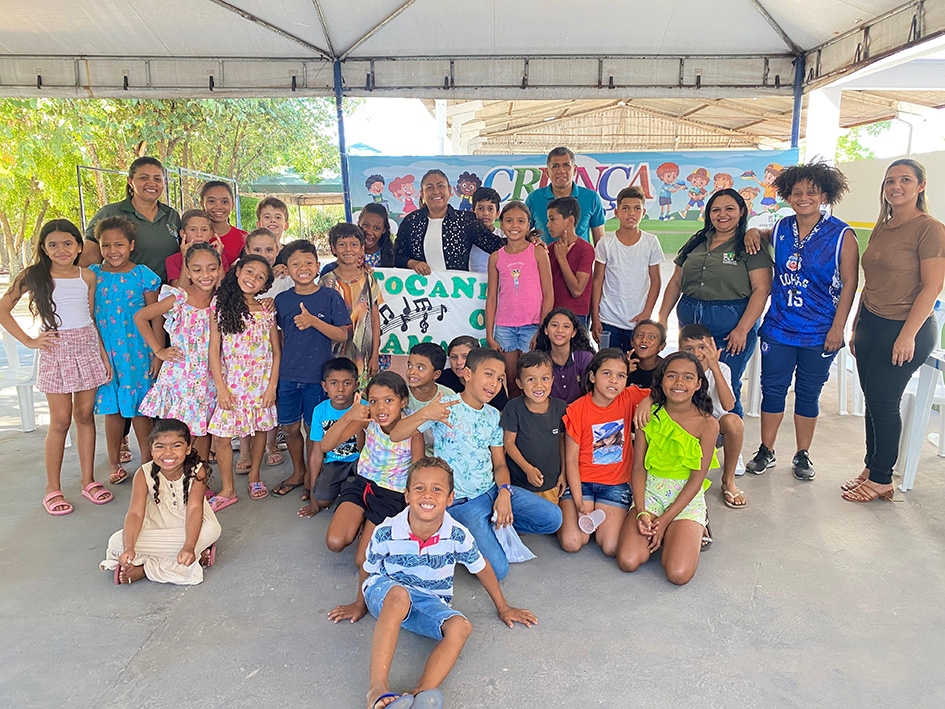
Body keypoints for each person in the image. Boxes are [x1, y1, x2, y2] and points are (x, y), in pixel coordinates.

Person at [343, 457, 536, 709]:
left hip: (428, 600)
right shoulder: (386, 531)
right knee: (399, 595)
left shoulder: (457, 534)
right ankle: (376, 691)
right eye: (419, 488)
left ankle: (422, 694)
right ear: (407, 495)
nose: (428, 495)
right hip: (386, 591)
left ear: (450, 498)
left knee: (461, 626)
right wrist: (360, 603)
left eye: (437, 489)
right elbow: (367, 569)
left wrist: (504, 607)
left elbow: (482, 567)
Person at [390, 348, 563, 581]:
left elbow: (500, 464)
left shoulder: (493, 415)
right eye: (488, 374)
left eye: (500, 378)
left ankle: (487, 526)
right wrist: (425, 414)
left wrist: (504, 493)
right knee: (499, 570)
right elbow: (396, 434)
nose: (494, 384)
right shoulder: (445, 407)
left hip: (491, 491)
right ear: (468, 374)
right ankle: (461, 533)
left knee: (553, 518)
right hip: (462, 503)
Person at [742, 161, 859, 481]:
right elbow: (764, 233)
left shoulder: (842, 235)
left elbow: (850, 282)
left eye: (811, 191)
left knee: (809, 393)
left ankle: (802, 453)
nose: (803, 197)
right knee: (772, 389)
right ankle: (766, 449)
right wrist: (753, 230)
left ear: (824, 194)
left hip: (820, 331)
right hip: (779, 327)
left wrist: (839, 327)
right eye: (796, 192)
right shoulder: (781, 227)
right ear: (787, 196)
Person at [843, 159, 945, 502]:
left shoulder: (930, 229)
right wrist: (857, 323)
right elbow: (870, 283)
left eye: (904, 180)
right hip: (872, 322)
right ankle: (873, 467)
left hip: (906, 327)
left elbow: (931, 288)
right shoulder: (882, 227)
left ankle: (883, 478)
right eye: (889, 181)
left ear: (920, 186)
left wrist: (907, 335)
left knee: (885, 402)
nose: (895, 186)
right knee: (873, 399)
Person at [0, 219, 112, 516]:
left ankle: (88, 480)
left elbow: (90, 317)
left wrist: (101, 353)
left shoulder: (87, 276)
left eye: (67, 244)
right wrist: (29, 341)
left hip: (86, 346)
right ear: (44, 249)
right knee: (61, 420)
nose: (61, 250)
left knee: (85, 415)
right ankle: (53, 487)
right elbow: (3, 308)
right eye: (53, 244)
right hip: (56, 349)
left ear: (79, 247)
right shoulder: (34, 276)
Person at [658, 188, 773, 414]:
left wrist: (742, 329)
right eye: (716, 210)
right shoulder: (697, 241)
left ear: (741, 212)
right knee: (691, 381)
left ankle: (730, 440)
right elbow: (675, 282)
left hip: (732, 327)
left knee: (726, 385)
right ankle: (698, 439)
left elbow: (762, 289)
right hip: (690, 327)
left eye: (729, 209)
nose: (722, 214)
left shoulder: (750, 244)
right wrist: (661, 318)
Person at [616, 352, 719, 585]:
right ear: (661, 381)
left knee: (678, 574)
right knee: (628, 561)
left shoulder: (708, 424)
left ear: (698, 384)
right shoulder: (648, 415)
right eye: (671, 376)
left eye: (688, 377)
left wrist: (664, 521)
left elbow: (697, 479)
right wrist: (641, 509)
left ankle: (689, 525)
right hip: (652, 491)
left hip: (686, 496)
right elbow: (639, 467)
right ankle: (673, 534)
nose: (679, 383)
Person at [321, 372, 424, 597]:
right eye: (374, 401)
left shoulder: (412, 430)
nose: (380, 408)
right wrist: (349, 416)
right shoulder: (367, 419)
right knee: (335, 542)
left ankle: (371, 524)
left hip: (391, 495)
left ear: (403, 401)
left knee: (362, 561)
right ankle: (361, 522)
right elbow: (325, 445)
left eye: (389, 400)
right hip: (361, 485)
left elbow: (417, 476)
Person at [274, 240, 352, 504]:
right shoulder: (281, 300)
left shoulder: (329, 296)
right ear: (287, 269)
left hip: (318, 377)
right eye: (295, 263)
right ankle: (299, 472)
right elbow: (278, 338)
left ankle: (311, 479)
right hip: (287, 374)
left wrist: (314, 321)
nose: (303, 268)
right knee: (290, 427)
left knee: (313, 429)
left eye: (308, 262)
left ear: (318, 266)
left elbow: (342, 333)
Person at [100, 418, 221, 586]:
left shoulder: (197, 470)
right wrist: (129, 547)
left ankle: (145, 569)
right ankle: (195, 556)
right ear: (151, 450)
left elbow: (194, 509)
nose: (168, 452)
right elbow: (135, 513)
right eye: (160, 446)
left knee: (210, 530)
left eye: (176, 446)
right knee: (116, 543)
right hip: (157, 527)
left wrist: (189, 545)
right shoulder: (143, 473)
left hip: (191, 527)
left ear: (188, 449)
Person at [89, 216, 162, 486]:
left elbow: (156, 317)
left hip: (138, 352)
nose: (112, 250)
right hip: (106, 352)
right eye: (105, 245)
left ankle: (147, 463)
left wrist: (157, 352)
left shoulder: (143, 275)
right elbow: (90, 316)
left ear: (131, 245)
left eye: (119, 244)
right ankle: (114, 463)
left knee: (142, 409)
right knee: (113, 410)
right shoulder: (93, 274)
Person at [558, 348, 649, 557]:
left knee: (611, 547)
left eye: (621, 376)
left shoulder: (629, 396)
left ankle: (606, 520)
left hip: (615, 485)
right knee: (572, 542)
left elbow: (661, 393)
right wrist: (579, 502)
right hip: (581, 483)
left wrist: (647, 400)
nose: (614, 381)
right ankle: (581, 513)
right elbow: (571, 460)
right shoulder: (577, 408)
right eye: (606, 373)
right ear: (592, 376)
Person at [135, 243, 221, 462]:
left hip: (209, 376)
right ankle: (174, 476)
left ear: (220, 269)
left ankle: (199, 477)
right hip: (181, 377)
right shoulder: (178, 298)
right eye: (198, 269)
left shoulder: (220, 301)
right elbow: (141, 317)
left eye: (212, 268)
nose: (205, 275)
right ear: (188, 271)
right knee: (177, 431)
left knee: (203, 429)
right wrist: (159, 350)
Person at [207, 255, 281, 507]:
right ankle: (228, 488)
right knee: (222, 437)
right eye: (249, 272)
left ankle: (255, 476)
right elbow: (214, 350)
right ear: (237, 271)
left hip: (261, 386)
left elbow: (276, 351)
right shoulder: (220, 305)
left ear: (265, 285)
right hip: (233, 385)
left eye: (260, 277)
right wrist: (220, 387)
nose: (252, 279)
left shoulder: (266, 310)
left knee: (260, 430)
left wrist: (272, 386)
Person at [237, 227, 295, 470]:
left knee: (271, 399)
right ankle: (245, 451)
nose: (264, 254)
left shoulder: (285, 277)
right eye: (257, 250)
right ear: (247, 252)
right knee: (244, 399)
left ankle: (271, 444)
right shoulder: (241, 276)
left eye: (269, 250)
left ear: (278, 250)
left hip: (274, 348)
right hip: (244, 354)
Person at [486, 201, 553, 395]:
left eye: (521, 221)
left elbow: (548, 294)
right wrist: (490, 335)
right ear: (501, 223)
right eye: (509, 220)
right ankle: (516, 417)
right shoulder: (496, 258)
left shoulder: (538, 252)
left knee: (531, 377)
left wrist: (542, 329)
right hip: (505, 327)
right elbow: (492, 298)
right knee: (512, 378)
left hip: (532, 326)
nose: (514, 226)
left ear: (528, 224)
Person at [80, 156, 181, 282]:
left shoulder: (172, 216)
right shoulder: (110, 213)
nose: (151, 183)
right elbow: (89, 258)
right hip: (123, 294)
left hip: (166, 295)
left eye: (157, 179)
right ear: (130, 181)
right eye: (144, 178)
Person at [678, 324, 746, 508]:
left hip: (714, 429)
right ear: (680, 351)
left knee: (734, 422)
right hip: (685, 428)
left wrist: (714, 368)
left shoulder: (722, 369)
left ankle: (728, 481)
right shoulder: (677, 370)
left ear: (713, 347)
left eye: (702, 347)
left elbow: (729, 405)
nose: (697, 354)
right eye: (689, 349)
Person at [590, 186, 664, 350]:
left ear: (643, 213)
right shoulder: (605, 243)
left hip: (638, 320)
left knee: (635, 367)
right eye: (625, 208)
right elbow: (597, 281)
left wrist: (647, 313)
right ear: (616, 213)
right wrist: (595, 317)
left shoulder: (651, 242)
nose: (631, 213)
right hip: (608, 318)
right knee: (609, 364)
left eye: (637, 208)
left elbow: (656, 281)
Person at [394, 169, 504, 273]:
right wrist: (413, 263)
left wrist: (518, 235)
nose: (436, 191)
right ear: (422, 193)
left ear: (449, 190)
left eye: (441, 186)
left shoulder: (466, 220)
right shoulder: (411, 221)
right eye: (429, 187)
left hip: (458, 291)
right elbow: (397, 256)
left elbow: (495, 245)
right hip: (420, 290)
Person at [292, 358, 360, 512]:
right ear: (324, 386)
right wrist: (313, 492)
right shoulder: (320, 411)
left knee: (363, 495)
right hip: (334, 462)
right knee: (322, 500)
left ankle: (349, 489)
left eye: (347, 383)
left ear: (356, 385)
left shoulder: (364, 407)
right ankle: (344, 485)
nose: (341, 389)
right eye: (334, 383)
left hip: (360, 460)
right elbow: (317, 452)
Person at [319, 223, 383, 385]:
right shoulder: (326, 282)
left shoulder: (369, 280)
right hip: (334, 356)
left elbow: (375, 319)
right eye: (342, 245)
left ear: (362, 249)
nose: (348, 249)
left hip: (364, 357)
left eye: (354, 245)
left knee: (362, 402)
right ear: (333, 249)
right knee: (338, 398)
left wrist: (375, 355)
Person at [501, 351, 568, 504]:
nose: (539, 385)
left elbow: (563, 442)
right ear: (519, 383)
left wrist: (563, 474)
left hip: (553, 484)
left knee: (551, 522)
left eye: (544, 378)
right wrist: (528, 469)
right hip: (521, 484)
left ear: (552, 380)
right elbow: (509, 443)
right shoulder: (514, 407)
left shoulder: (560, 407)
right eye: (531, 379)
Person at [525, 146, 606, 244]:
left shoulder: (591, 198)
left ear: (575, 170)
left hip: (581, 259)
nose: (561, 171)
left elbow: (600, 243)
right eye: (555, 166)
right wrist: (532, 239)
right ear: (547, 172)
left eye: (566, 165)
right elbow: (524, 233)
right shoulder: (534, 199)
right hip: (544, 259)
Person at [546, 196, 595, 327]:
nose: (548, 225)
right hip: (552, 313)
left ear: (570, 221)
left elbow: (577, 290)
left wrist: (562, 259)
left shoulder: (586, 249)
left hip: (576, 316)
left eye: (552, 219)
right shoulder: (548, 249)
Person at [534, 308, 594, 405]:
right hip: (549, 414)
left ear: (573, 333)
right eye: (554, 325)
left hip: (580, 413)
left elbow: (593, 393)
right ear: (546, 330)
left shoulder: (585, 358)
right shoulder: (539, 361)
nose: (560, 330)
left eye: (566, 326)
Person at [405, 342, 453, 455]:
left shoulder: (448, 396)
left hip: (439, 456)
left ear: (436, 375)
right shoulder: (400, 393)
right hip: (406, 455)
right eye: (409, 365)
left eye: (420, 368)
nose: (412, 372)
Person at [439, 335, 508, 411]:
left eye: (465, 357)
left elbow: (501, 412)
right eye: (454, 357)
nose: (459, 362)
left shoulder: (491, 384)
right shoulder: (442, 379)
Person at [166, 209, 229, 287]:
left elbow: (222, 289)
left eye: (204, 230)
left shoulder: (221, 257)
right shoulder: (173, 260)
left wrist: (218, 257)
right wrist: (185, 257)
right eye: (193, 230)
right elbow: (180, 292)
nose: (199, 234)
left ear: (211, 234)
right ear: (183, 233)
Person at [200, 181, 246, 266]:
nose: (218, 207)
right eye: (212, 201)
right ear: (202, 204)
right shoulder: (194, 236)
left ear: (232, 205)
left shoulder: (244, 238)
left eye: (224, 202)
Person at [469, 187, 504, 273]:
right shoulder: (467, 236)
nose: (485, 213)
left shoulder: (503, 237)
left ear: (497, 213)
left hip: (497, 284)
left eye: (490, 209)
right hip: (471, 284)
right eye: (480, 208)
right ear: (473, 211)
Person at [626, 319, 667, 389]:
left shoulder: (665, 369)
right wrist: (622, 372)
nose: (644, 340)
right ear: (632, 342)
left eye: (652, 337)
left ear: (661, 346)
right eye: (639, 335)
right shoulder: (623, 363)